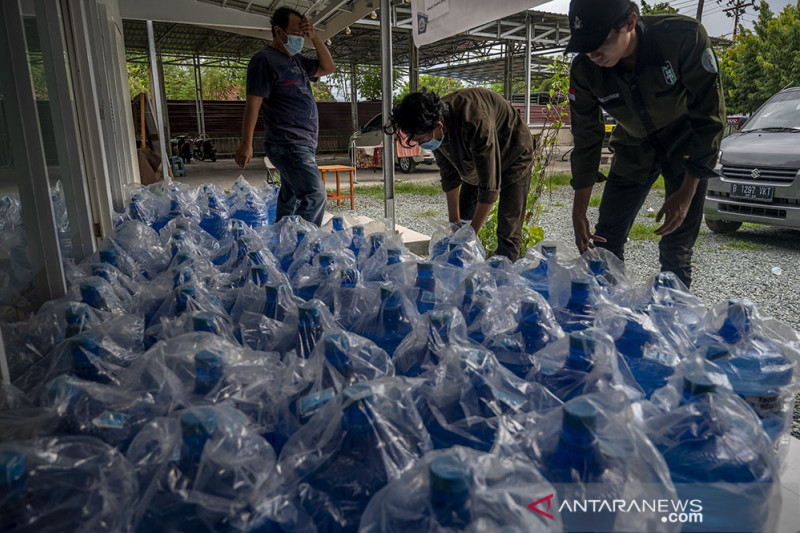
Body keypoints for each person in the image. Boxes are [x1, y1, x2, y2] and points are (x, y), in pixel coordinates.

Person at [567, 0, 725, 288]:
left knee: (676, 250)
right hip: (633, 144)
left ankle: (671, 324)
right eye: (585, 46)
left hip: (685, 144)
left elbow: (709, 117)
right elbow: (586, 139)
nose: (593, 54)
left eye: (600, 42)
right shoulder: (585, 70)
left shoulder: (681, 38)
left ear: (629, 23)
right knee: (605, 241)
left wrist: (687, 192)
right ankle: (606, 321)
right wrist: (578, 212)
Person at [387, 88, 534, 262]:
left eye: (422, 140)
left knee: (507, 227)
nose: (421, 145)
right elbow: (449, 175)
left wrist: (470, 234)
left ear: (439, 126)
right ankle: (465, 272)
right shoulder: (431, 124)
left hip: (514, 153)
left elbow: (489, 187)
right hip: (474, 160)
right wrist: (454, 221)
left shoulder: (474, 120)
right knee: (462, 221)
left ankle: (505, 277)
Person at [234, 6, 335, 227]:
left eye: (302, 34)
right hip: (286, 142)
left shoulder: (297, 60)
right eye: (296, 33)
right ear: (279, 32)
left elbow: (328, 67)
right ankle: (302, 246)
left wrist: (314, 36)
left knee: (290, 195)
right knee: (315, 195)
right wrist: (246, 143)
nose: (300, 38)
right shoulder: (264, 60)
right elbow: (253, 104)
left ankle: (281, 243)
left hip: (303, 143)